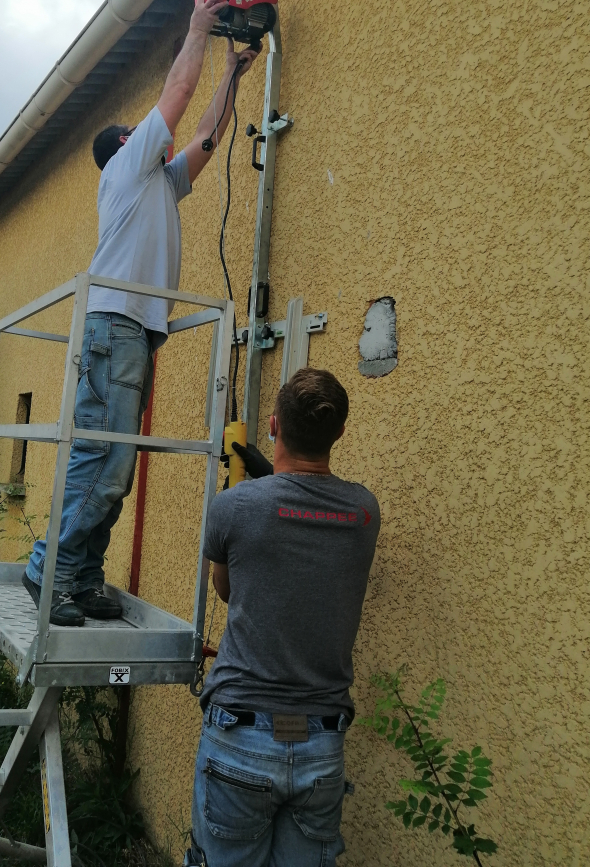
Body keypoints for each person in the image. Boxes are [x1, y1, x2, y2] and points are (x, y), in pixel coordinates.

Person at [23, 0, 261, 626]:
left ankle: (79, 578)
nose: (155, 132)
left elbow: (207, 135)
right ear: (128, 145)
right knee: (103, 464)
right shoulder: (126, 168)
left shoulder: (159, 181)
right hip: (114, 326)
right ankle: (49, 566)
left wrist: (233, 73)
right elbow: (177, 99)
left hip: (132, 331)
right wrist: (198, 27)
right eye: (144, 131)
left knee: (113, 468)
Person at [189, 368, 380, 867]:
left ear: (272, 426)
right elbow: (308, 515)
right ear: (340, 432)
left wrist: (259, 490)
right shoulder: (364, 511)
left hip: (240, 735)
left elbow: (229, 591)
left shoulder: (233, 507)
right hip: (321, 743)